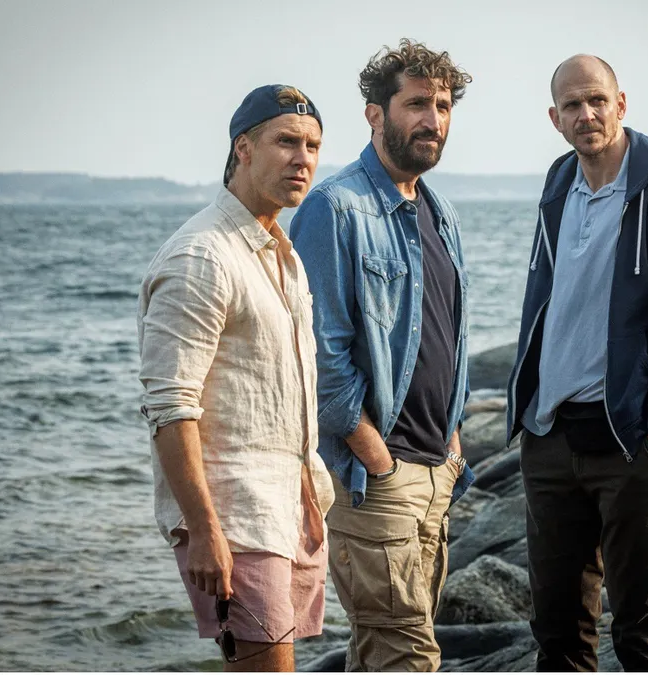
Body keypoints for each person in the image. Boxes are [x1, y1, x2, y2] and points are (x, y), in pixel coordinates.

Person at [505, 54, 648, 672]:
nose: (586, 114)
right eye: (572, 105)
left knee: (642, 634)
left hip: (633, 440)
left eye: (597, 100)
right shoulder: (557, 183)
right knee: (558, 635)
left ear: (621, 103)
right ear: (555, 118)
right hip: (550, 437)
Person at [290, 39, 475, 671]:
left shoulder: (438, 210)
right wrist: (375, 452)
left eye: (444, 105)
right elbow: (321, 352)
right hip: (376, 479)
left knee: (383, 651)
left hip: (435, 470)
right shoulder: (334, 207)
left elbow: (452, 333)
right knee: (407, 655)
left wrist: (452, 444)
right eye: (417, 103)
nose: (434, 120)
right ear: (375, 113)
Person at [137, 84, 334, 672]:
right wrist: (203, 530)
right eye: (286, 142)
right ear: (242, 149)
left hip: (288, 504)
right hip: (235, 515)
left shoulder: (279, 250)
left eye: (314, 146)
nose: (303, 159)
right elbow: (170, 406)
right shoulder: (203, 256)